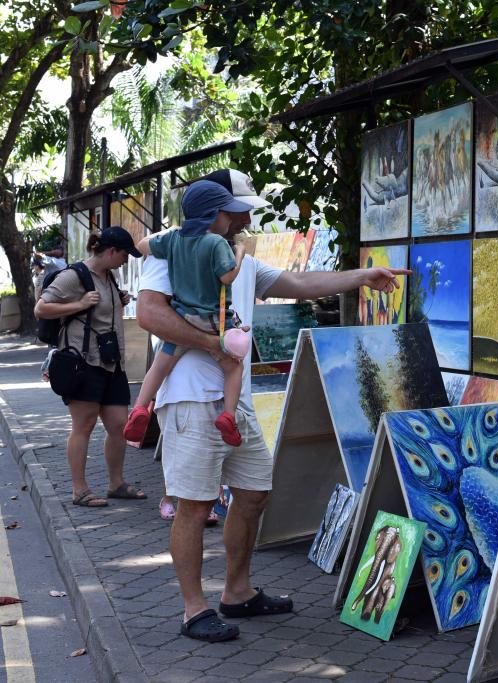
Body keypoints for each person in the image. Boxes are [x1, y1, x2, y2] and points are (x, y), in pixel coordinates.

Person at [136, 191, 406, 642]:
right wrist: (216, 345)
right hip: (191, 398)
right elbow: (149, 315)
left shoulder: (241, 258)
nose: (248, 218)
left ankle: (237, 592)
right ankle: (193, 609)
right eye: (240, 209)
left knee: (255, 492)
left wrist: (362, 276)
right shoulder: (176, 248)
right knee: (195, 505)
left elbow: (300, 283)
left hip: (233, 400)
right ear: (220, 212)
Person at [124, 182, 252, 447]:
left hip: (183, 319)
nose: (231, 219)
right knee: (234, 366)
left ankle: (139, 408)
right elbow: (227, 276)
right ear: (214, 215)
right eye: (227, 214)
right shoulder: (217, 242)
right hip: (214, 322)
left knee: (160, 366)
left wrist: (171, 231)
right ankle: (228, 417)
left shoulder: (173, 239)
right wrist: (239, 254)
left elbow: (142, 245)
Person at [34, 227, 146, 508]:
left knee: (119, 425)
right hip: (83, 363)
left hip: (111, 363)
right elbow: (41, 308)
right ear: (111, 251)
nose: (125, 261)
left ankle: (116, 484)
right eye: (124, 255)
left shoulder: (108, 275)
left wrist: (118, 300)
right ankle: (79, 490)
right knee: (83, 425)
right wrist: (79, 304)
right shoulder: (74, 276)